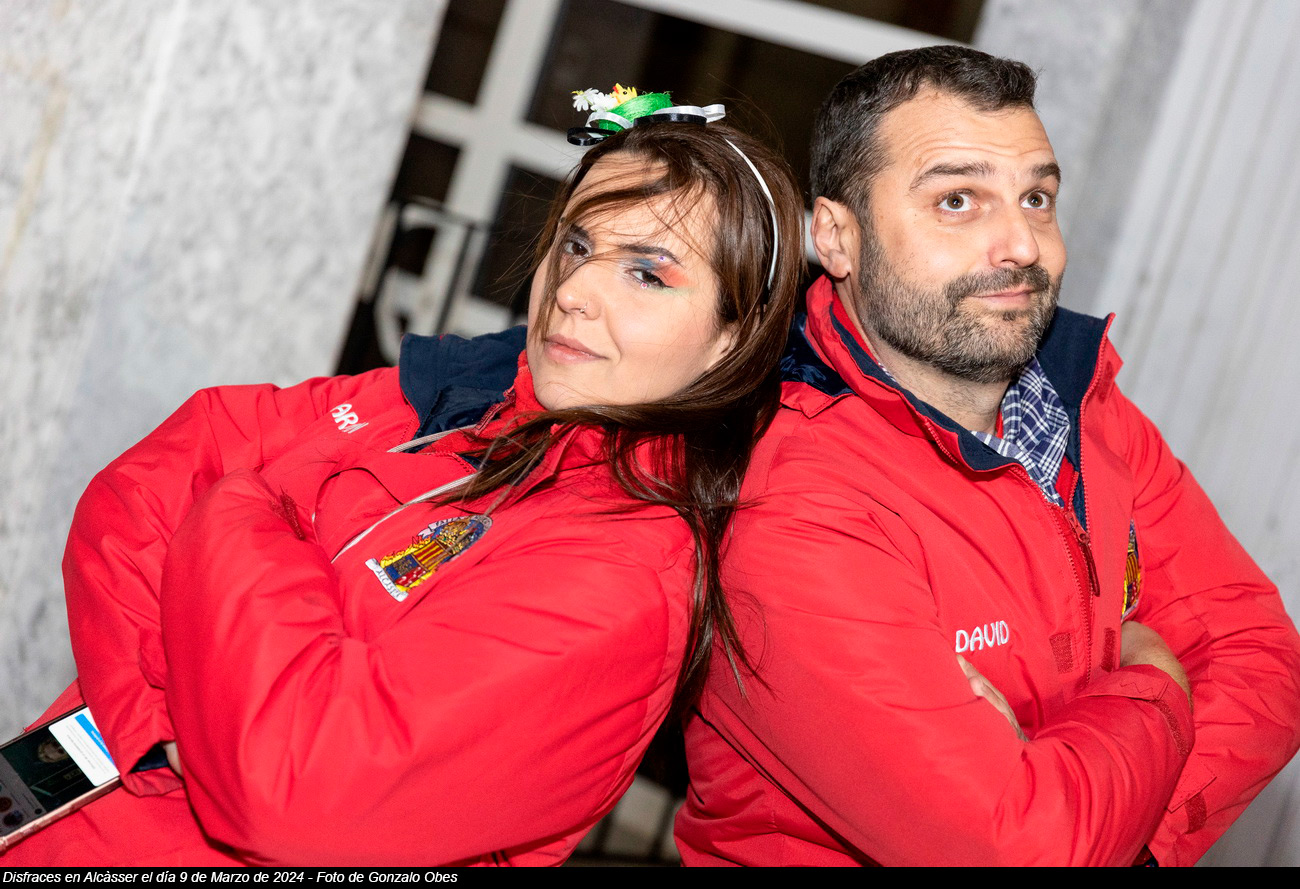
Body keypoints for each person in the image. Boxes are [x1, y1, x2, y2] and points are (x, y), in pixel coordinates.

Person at [3, 92, 805, 866]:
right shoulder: (451, 402)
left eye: (648, 274)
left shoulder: (620, 576)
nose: (573, 292)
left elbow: (298, 783)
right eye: (577, 245)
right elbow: (138, 489)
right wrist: (159, 727)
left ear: (731, 340)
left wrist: (242, 506)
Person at [676, 46, 1300, 866]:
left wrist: (1127, 839)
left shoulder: (1086, 407)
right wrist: (1157, 679)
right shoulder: (793, 503)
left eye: (1036, 197)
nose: (1021, 244)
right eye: (958, 200)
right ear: (836, 236)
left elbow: (1264, 657)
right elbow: (1016, 846)